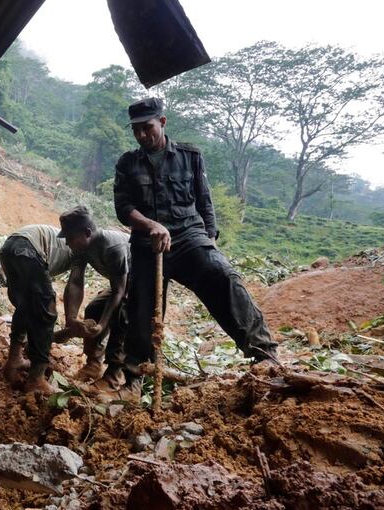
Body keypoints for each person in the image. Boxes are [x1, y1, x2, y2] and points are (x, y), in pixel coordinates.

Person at [113, 97, 278, 387]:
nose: (141, 135)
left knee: (223, 275)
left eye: (147, 128)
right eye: (136, 130)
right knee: (140, 308)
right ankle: (134, 379)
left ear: (162, 123)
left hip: (189, 237)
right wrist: (151, 226)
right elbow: (123, 209)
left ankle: (264, 354)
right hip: (147, 245)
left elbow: (205, 201)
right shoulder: (128, 163)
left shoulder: (190, 155)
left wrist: (210, 241)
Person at [58, 207, 133, 393]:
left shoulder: (112, 247)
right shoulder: (81, 248)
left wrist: (102, 324)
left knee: (121, 316)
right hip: (121, 285)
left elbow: (119, 292)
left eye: (70, 237)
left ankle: (114, 376)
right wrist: (71, 319)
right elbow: (75, 282)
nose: (67, 243)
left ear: (87, 233)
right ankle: (93, 364)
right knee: (93, 309)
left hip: (140, 284)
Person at [0, 224, 72, 393]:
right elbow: (74, 285)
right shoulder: (82, 247)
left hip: (9, 247)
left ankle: (14, 359)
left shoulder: (73, 238)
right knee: (46, 313)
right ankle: (36, 379)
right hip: (28, 249)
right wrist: (70, 324)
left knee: (25, 306)